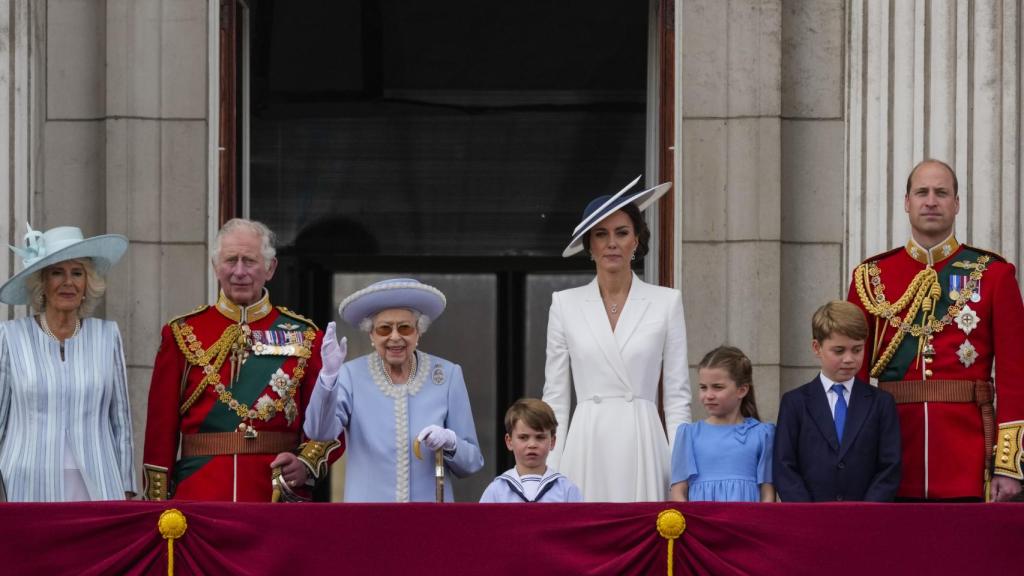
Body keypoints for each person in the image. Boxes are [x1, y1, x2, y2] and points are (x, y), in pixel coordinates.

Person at [848, 159, 1024, 501]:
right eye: (922, 192)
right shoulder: (871, 278)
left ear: (956, 204)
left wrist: (1007, 465)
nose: (931, 201)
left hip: (970, 456)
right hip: (891, 453)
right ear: (906, 202)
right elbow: (851, 375)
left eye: (941, 193)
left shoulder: (993, 274)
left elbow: (1015, 377)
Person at [143, 218, 341, 502]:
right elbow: (159, 431)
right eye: (230, 260)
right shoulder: (182, 333)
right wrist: (157, 504)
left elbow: (328, 419)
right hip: (200, 493)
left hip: (274, 494)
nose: (239, 271)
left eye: (249, 261)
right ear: (215, 267)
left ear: (270, 268)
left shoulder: (306, 336)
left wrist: (306, 463)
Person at [542, 176, 690, 502]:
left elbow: (678, 399)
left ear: (636, 240)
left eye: (621, 233)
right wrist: (550, 470)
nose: (611, 243)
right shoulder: (564, 304)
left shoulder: (667, 302)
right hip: (587, 441)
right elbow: (555, 397)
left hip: (644, 441)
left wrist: (680, 471)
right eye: (601, 234)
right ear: (589, 244)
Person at [305, 278, 484, 502]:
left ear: (419, 332)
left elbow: (472, 462)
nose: (395, 337)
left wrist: (451, 442)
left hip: (429, 518)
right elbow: (319, 432)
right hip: (370, 518)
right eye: (384, 329)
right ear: (371, 335)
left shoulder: (447, 375)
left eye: (405, 327)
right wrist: (328, 377)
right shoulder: (350, 375)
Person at [0, 224, 135, 501]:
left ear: (88, 283)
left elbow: (120, 419)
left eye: (77, 273)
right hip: (27, 484)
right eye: (57, 272)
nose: (68, 282)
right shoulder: (10, 337)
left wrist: (126, 483)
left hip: (98, 482)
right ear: (42, 283)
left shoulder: (106, 336)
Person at [773, 301, 901, 502]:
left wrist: (867, 511)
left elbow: (890, 465)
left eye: (857, 350)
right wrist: (807, 513)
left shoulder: (881, 403)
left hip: (865, 519)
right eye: (839, 351)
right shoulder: (795, 403)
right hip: (811, 520)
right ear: (817, 348)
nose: (849, 359)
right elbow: (784, 466)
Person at [669, 346, 774, 502]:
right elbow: (678, 493)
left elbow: (768, 493)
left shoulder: (762, 434)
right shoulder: (689, 434)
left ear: (742, 390)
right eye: (703, 387)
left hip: (745, 523)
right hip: (701, 523)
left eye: (718, 387)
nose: (709, 395)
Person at [480, 398, 582, 503]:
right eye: (523, 437)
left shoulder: (567, 490)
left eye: (540, 437)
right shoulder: (496, 491)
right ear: (509, 441)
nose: (532, 445)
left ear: (552, 441)